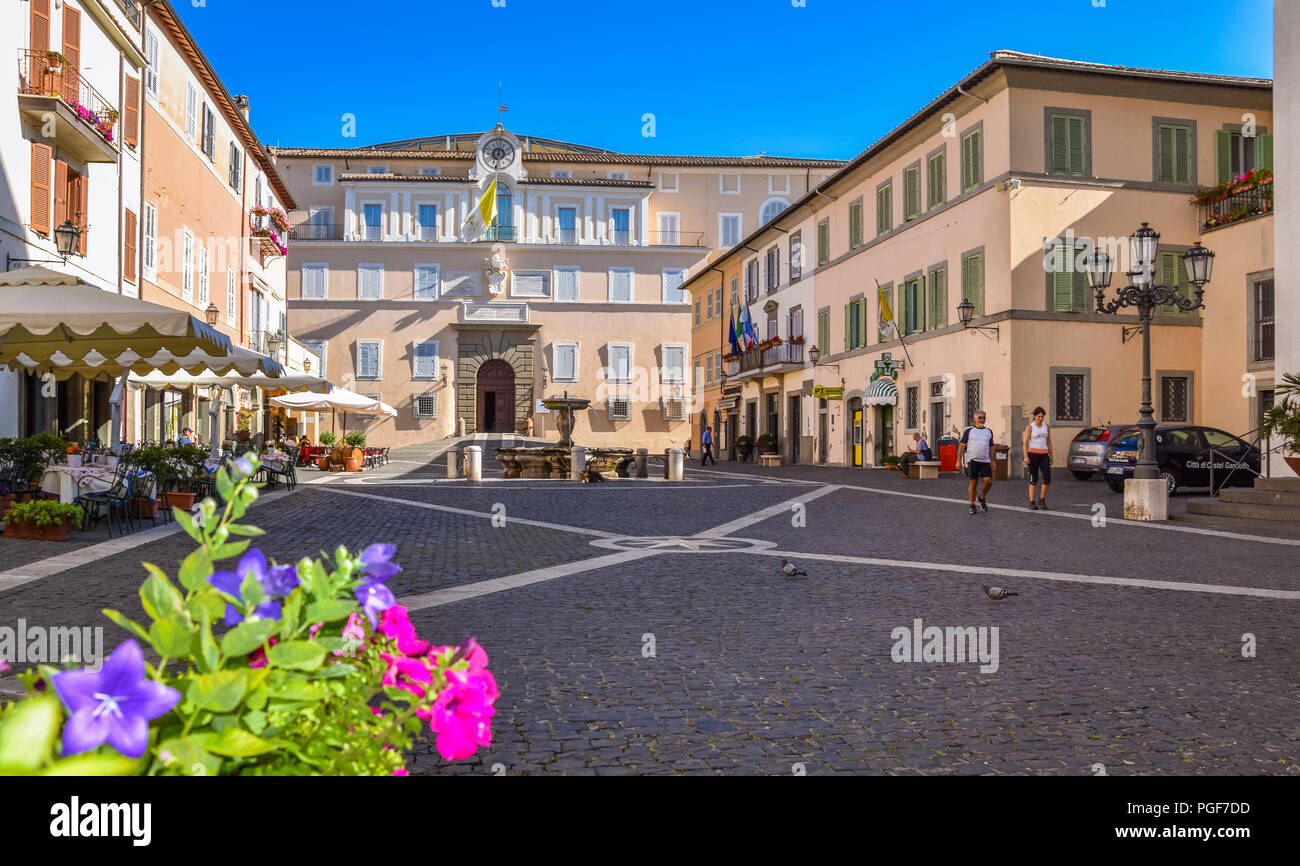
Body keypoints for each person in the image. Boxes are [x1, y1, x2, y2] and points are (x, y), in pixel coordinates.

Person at [956, 410, 995, 514]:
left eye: (984, 418)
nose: (982, 419)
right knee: (974, 483)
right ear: (975, 419)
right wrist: (958, 461)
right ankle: (972, 505)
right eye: (980, 417)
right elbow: (961, 446)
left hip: (985, 460)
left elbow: (991, 447)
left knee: (989, 481)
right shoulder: (969, 431)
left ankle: (981, 498)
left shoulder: (989, 431)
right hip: (972, 460)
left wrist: (993, 461)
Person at [1022, 406, 1054, 510]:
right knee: (1034, 479)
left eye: (1042, 416)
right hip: (1033, 455)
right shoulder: (1030, 427)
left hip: (1044, 455)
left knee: (1047, 478)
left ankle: (1042, 499)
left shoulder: (1046, 426)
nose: (1041, 418)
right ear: (1035, 416)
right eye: (1039, 416)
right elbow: (1025, 443)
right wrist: (1026, 456)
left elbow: (1049, 442)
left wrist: (1051, 455)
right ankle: (1032, 501)